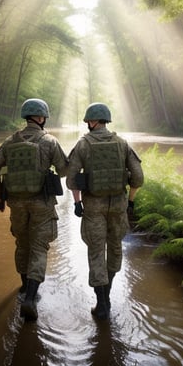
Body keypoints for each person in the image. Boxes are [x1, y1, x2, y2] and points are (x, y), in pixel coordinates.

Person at [0, 98, 68, 322]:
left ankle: (23, 288)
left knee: (22, 243)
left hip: (17, 202)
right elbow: (63, 170)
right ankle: (31, 298)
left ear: (26, 116)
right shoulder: (50, 141)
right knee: (39, 247)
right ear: (41, 118)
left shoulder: (10, 141)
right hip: (42, 202)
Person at [66, 102, 144, 320]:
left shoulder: (83, 145)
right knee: (115, 247)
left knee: (96, 251)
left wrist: (77, 203)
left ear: (92, 122)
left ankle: (101, 303)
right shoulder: (122, 143)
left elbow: (72, 180)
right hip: (118, 206)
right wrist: (130, 201)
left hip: (93, 206)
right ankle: (108, 294)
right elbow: (138, 177)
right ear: (106, 121)